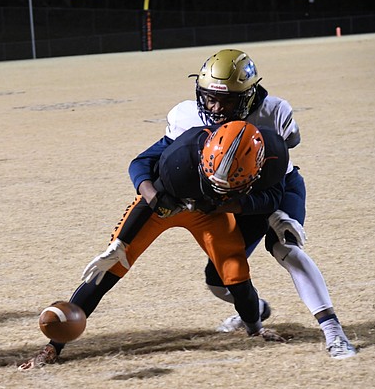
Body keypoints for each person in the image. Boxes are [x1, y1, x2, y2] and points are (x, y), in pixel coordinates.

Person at [19, 121, 289, 370]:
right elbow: (149, 200)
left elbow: (272, 200)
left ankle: (255, 328)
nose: (219, 187)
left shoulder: (273, 157)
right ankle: (54, 345)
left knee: (234, 269)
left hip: (212, 214)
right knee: (110, 267)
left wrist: (227, 203)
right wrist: (120, 243)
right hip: (166, 204)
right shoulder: (181, 159)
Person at [156, 49, 356, 359]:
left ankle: (333, 330)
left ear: (249, 96)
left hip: (277, 187)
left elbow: (288, 148)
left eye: (229, 100)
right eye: (210, 97)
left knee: (284, 247)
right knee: (219, 278)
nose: (217, 108)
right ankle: (255, 309)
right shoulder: (186, 115)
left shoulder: (273, 110)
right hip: (233, 199)